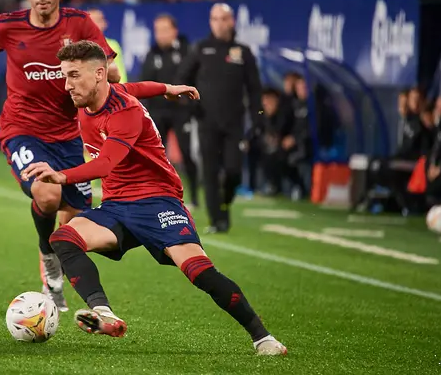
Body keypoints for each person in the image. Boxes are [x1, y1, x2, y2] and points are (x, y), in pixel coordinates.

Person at [21, 40, 287, 356]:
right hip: (117, 206)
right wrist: (166, 87)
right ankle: (104, 314)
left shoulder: (126, 112)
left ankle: (264, 339)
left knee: (199, 272)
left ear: (100, 74)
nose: (67, 86)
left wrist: (62, 175)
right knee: (64, 239)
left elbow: (106, 163)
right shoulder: (98, 96)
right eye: (65, 76)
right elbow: (135, 86)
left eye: (74, 76)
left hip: (158, 202)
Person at [0, 0, 129, 312]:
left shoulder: (80, 23)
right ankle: (47, 257)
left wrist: (109, 75)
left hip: (69, 135)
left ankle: (54, 265)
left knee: (72, 221)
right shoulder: (9, 25)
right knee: (46, 193)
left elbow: (107, 65)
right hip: (22, 131)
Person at [175, 3, 264, 233]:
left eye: (224, 18)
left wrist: (258, 118)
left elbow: (255, 89)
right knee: (210, 171)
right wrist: (190, 108)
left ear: (232, 21)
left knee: (234, 170)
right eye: (215, 19)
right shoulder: (201, 49)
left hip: (234, 122)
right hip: (207, 121)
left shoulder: (243, 52)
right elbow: (182, 80)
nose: (220, 23)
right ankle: (218, 220)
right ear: (210, 22)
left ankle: (226, 201)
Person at [141, 13, 200, 207]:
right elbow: (144, 82)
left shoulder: (186, 51)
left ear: (174, 31)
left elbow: (195, 79)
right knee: (156, 155)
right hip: (158, 112)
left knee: (186, 153)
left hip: (181, 112)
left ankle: (194, 196)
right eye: (157, 30)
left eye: (165, 30)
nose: (161, 35)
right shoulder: (152, 53)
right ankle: (158, 194)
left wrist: (190, 106)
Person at [86, 8, 127, 82]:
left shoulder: (113, 45)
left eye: (99, 20)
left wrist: (120, 91)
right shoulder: (78, 47)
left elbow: (120, 75)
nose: (93, 25)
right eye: (90, 21)